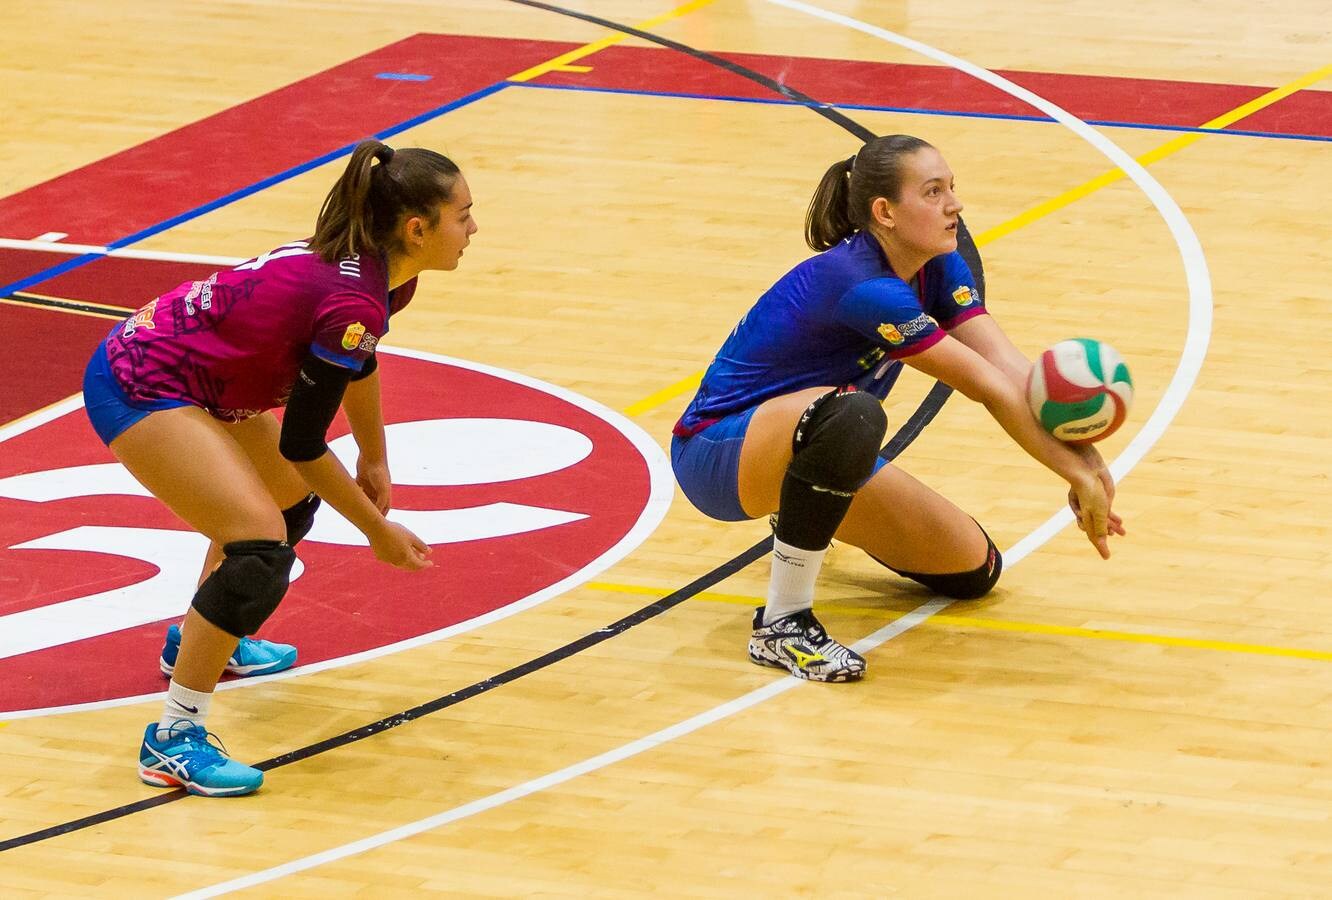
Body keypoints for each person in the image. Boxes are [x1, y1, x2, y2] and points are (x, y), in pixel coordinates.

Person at [81, 139, 477, 795]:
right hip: (144, 382)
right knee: (259, 550)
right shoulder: (355, 295)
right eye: (463, 215)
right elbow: (303, 441)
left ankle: (202, 640)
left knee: (289, 505)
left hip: (206, 381)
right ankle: (174, 738)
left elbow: (360, 359)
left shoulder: (381, 276)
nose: (473, 228)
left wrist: (375, 455)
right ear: (417, 227)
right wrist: (377, 532)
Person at [671, 134, 1122, 683]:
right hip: (719, 452)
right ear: (884, 212)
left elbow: (1012, 371)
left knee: (973, 570)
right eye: (933, 193)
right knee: (855, 414)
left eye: (952, 188)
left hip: (812, 432)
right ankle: (782, 623)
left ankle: (801, 500)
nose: (954, 205)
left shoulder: (938, 264)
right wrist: (1074, 471)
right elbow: (985, 386)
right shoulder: (861, 285)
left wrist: (1091, 464)